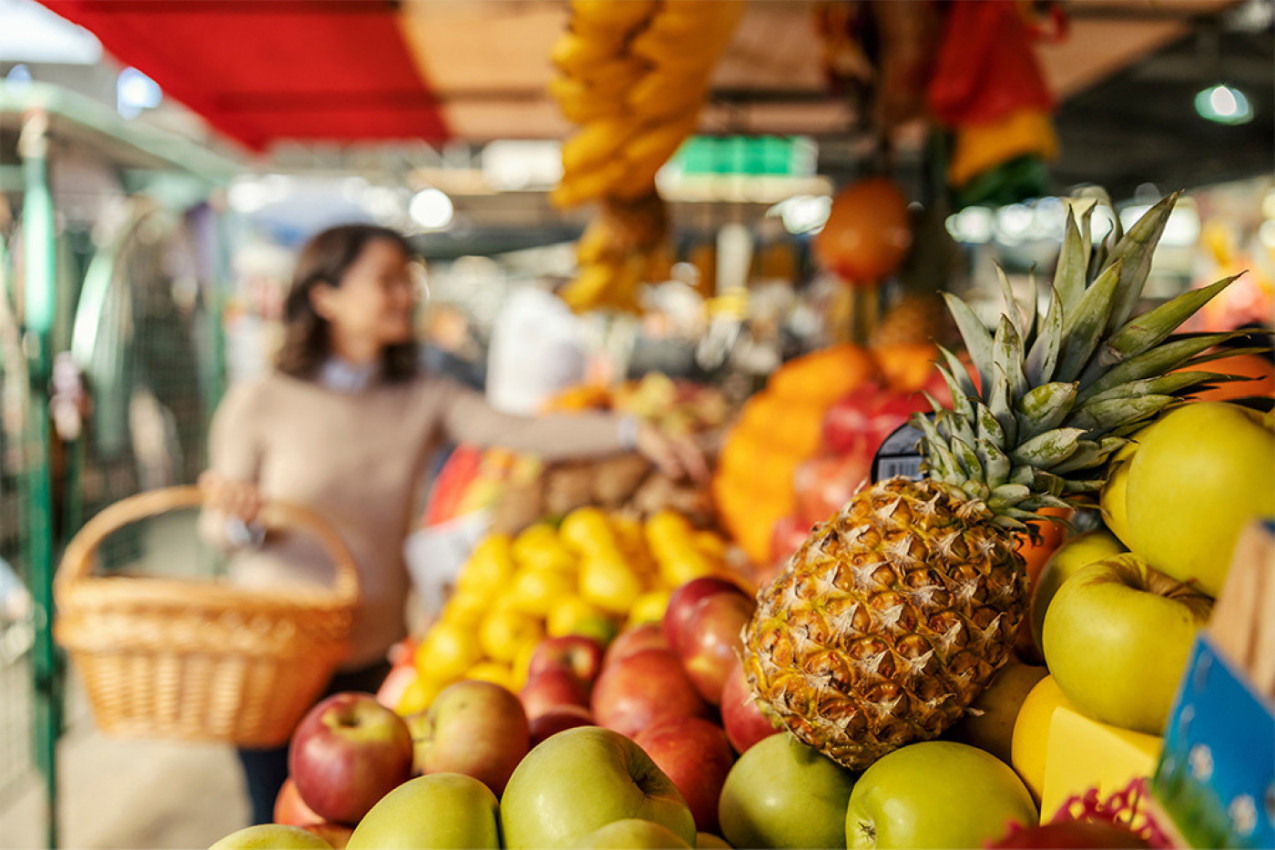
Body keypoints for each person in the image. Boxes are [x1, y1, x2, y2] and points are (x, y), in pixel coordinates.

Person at [199, 224, 707, 825]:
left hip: (370, 651)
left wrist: (631, 432)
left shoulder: (424, 396)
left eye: (407, 280)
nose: (405, 296)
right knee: (269, 818)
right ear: (324, 295)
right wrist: (243, 521)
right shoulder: (260, 400)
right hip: (272, 656)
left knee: (345, 828)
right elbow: (218, 528)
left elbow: (525, 430)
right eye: (385, 281)